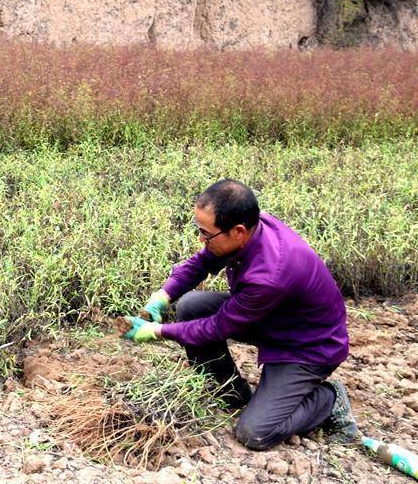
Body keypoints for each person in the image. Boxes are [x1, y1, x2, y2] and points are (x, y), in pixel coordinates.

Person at [123, 179, 357, 450]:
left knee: (255, 432)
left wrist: (156, 331)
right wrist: (162, 297)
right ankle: (231, 394)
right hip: (274, 319)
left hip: (307, 346)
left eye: (206, 234)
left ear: (238, 232)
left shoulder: (270, 274)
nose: (201, 239)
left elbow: (216, 327)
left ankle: (329, 400)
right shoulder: (249, 228)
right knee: (190, 307)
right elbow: (202, 261)